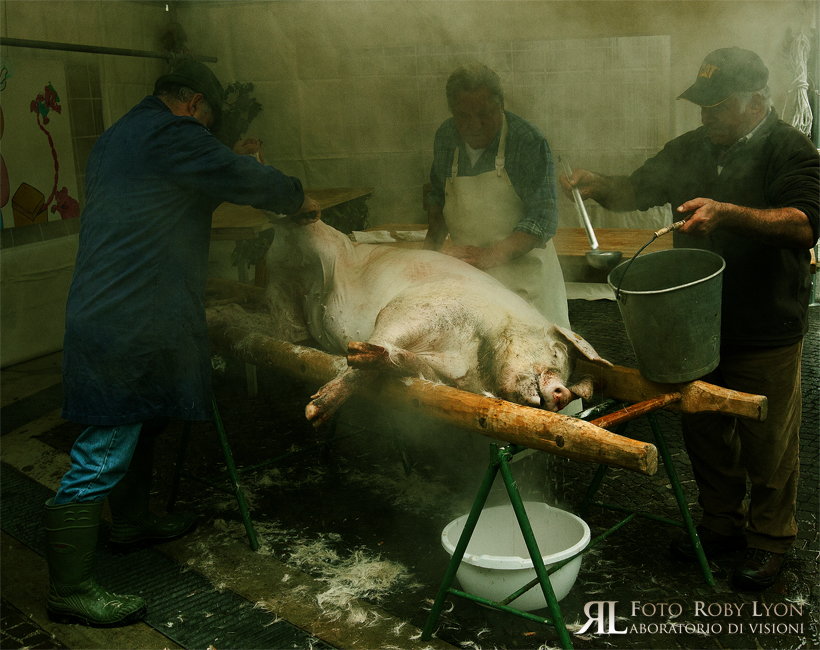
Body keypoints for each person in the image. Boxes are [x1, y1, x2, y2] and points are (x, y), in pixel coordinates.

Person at [49, 59, 320, 627]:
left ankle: (129, 523)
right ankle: (68, 589)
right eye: (207, 122)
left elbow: (174, 195)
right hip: (125, 316)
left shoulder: (121, 136)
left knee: (142, 419)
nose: (203, 132)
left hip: (118, 306)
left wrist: (226, 160)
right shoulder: (172, 133)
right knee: (103, 447)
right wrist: (297, 199)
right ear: (194, 104)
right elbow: (250, 184)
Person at [560, 47, 819, 590]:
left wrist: (728, 213)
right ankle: (721, 524)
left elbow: (803, 224)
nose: (706, 117)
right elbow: (639, 187)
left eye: (718, 105)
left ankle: (770, 539)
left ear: (757, 102)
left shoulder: (791, 149)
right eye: (702, 105)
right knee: (703, 426)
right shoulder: (691, 148)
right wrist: (599, 184)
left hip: (766, 320)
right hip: (694, 318)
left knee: (768, 437)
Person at [424, 63, 569, 330]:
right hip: (472, 282)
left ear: (501, 105)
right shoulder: (446, 137)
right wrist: (429, 255)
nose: (474, 125)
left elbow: (542, 218)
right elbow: (437, 198)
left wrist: (491, 256)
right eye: (463, 116)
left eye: (484, 114)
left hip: (527, 284)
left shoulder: (527, 141)